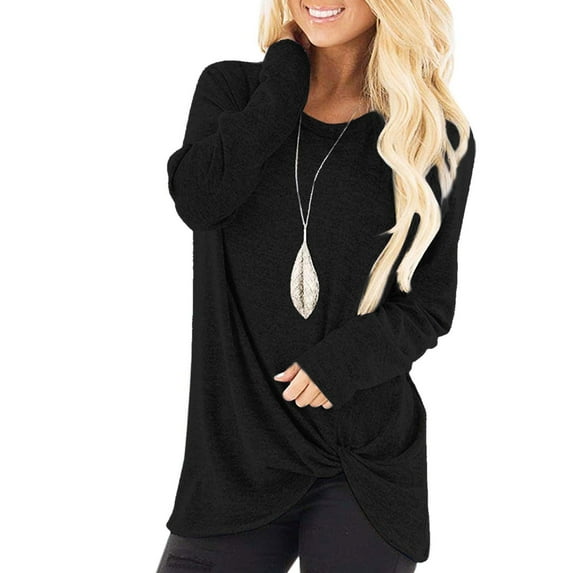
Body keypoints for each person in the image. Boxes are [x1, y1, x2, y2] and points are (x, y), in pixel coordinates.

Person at [156, 0, 476, 571]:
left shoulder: (432, 134)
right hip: (235, 460)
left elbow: (428, 305)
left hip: (361, 462)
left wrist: (343, 362)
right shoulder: (234, 92)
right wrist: (284, 76)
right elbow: (200, 200)